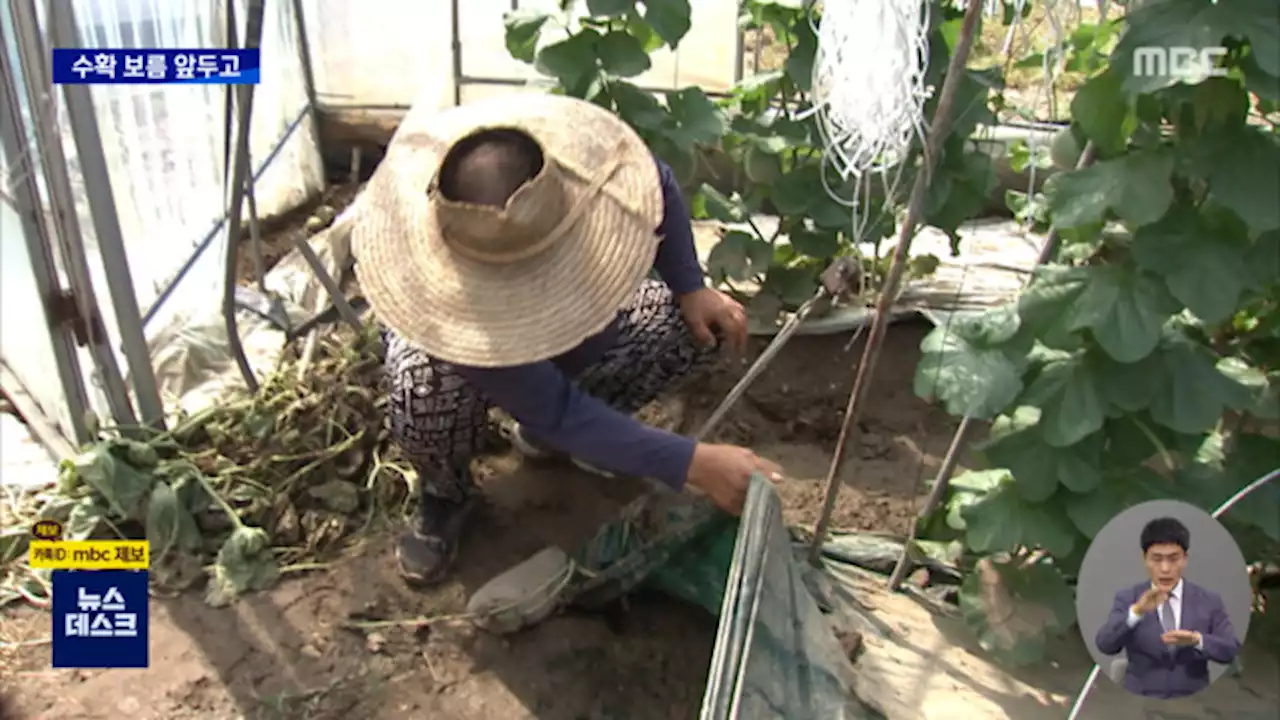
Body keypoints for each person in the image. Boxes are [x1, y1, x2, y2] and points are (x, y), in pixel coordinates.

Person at [352, 94, 784, 586]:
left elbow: (656, 183)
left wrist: (690, 286)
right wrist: (691, 462)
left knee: (692, 328)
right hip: (454, 369)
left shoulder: (584, 178)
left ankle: (554, 440)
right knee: (423, 394)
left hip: (562, 361)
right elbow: (554, 407)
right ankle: (445, 493)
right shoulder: (449, 299)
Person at [1094, 516, 1241, 699]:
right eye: (1157, 559)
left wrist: (1197, 640)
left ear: (1185, 559)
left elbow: (1230, 649)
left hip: (1194, 702)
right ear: (1145, 559)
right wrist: (1136, 613)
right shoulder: (1128, 598)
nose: (1165, 568)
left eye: (1173, 559)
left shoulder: (1209, 601)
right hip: (1139, 702)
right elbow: (1105, 645)